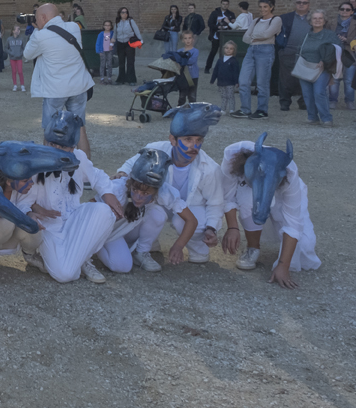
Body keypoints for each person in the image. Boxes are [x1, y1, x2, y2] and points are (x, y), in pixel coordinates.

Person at [14, 111, 122, 283]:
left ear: (73, 148)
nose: (57, 150)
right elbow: (22, 200)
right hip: (49, 228)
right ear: (46, 141)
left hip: (73, 218)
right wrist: (29, 213)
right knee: (65, 275)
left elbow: (98, 176)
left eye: (63, 147)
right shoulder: (35, 163)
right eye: (53, 144)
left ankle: (84, 259)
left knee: (105, 212)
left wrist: (107, 193)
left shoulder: (78, 158)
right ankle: (79, 259)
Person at [116, 103, 226, 269]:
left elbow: (215, 202)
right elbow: (130, 165)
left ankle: (198, 248)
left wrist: (211, 228)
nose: (194, 146)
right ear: (172, 139)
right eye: (188, 139)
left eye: (199, 140)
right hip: (158, 204)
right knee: (154, 211)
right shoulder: (155, 150)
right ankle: (146, 244)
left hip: (189, 209)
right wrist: (122, 173)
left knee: (188, 222)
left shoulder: (210, 168)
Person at [221, 138, 320, 288]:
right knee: (248, 200)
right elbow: (227, 195)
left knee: (305, 246)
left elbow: (293, 221)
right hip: (247, 185)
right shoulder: (232, 154)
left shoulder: (291, 176)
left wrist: (283, 265)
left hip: (280, 193)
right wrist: (232, 227)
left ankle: (284, 254)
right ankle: (253, 248)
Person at [93, 147, 181, 274]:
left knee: (158, 214)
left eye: (145, 193)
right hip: (106, 233)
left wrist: (178, 246)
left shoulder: (164, 192)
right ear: (131, 181)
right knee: (122, 266)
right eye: (135, 190)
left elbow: (191, 220)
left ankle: (140, 252)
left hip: (125, 231)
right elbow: (88, 208)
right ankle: (94, 247)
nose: (138, 197)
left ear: (157, 190)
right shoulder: (117, 188)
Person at [24, 4, 94, 151]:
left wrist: (37, 30)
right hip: (78, 86)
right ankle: (86, 167)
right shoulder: (74, 27)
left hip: (55, 89)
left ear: (43, 18)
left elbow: (27, 54)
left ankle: (49, 168)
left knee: (50, 130)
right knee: (79, 127)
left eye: (37, 18)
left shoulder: (40, 35)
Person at [231, 0, 281, 119]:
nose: (262, 9)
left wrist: (254, 37)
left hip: (266, 50)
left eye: (265, 7)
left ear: (271, 7)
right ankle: (245, 109)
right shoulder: (256, 20)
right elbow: (245, 38)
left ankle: (262, 110)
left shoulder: (276, 20)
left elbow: (267, 34)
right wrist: (257, 37)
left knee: (262, 83)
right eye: (260, 7)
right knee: (243, 81)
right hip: (251, 50)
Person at [297, 9, 340, 127]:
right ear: (310, 21)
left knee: (319, 92)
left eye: (320, 18)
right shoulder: (306, 35)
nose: (317, 20)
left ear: (324, 20)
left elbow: (337, 49)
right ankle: (312, 117)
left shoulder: (330, 35)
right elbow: (300, 49)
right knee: (307, 94)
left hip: (322, 68)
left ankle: (326, 118)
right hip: (305, 67)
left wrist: (325, 59)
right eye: (315, 18)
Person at [277, 0, 312, 112]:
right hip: (288, 52)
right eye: (299, 2)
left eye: (304, 2)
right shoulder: (285, 17)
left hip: (308, 53)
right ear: (295, 4)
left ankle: (303, 102)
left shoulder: (314, 17)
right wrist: (282, 49)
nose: (301, 4)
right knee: (286, 79)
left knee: (306, 78)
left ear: (308, 5)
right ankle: (285, 102)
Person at [331, 1, 356, 110]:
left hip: (350, 54)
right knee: (334, 79)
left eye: (347, 10)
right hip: (335, 54)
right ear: (339, 11)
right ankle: (332, 100)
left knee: (349, 80)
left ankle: (349, 101)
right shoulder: (332, 23)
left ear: (351, 12)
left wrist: (347, 40)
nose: (344, 11)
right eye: (342, 9)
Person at [210, 40, 240, 114]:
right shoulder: (220, 60)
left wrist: (237, 82)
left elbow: (236, 72)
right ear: (223, 49)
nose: (228, 50)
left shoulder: (234, 61)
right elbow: (216, 70)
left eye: (231, 48)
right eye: (227, 48)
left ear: (234, 50)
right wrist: (212, 79)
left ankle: (232, 109)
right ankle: (223, 109)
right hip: (221, 82)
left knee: (230, 96)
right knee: (223, 96)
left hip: (230, 82)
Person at [205, 0, 236, 70]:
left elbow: (233, 24)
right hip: (216, 35)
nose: (225, 5)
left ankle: (224, 68)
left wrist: (231, 23)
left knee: (226, 52)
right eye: (223, 4)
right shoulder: (215, 13)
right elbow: (210, 24)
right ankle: (207, 68)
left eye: (226, 4)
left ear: (228, 5)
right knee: (213, 52)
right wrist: (217, 27)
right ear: (221, 4)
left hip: (226, 36)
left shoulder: (231, 14)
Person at [172, 30, 200, 105]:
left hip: (193, 76)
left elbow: (191, 61)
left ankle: (193, 112)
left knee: (192, 96)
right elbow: (176, 62)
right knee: (182, 96)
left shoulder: (195, 51)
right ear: (182, 40)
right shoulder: (179, 51)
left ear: (193, 39)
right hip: (182, 77)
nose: (188, 40)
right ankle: (179, 111)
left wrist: (181, 60)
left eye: (189, 38)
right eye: (186, 38)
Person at [6, 24, 26, 91]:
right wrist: (11, 53)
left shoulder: (22, 39)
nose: (18, 31)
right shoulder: (9, 39)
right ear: (13, 31)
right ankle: (15, 85)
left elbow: (24, 48)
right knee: (14, 71)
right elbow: (6, 48)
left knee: (20, 71)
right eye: (17, 29)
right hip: (12, 58)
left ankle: (22, 85)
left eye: (19, 29)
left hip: (19, 58)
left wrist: (21, 53)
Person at [96, 20, 114, 85]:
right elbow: (98, 43)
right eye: (106, 25)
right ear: (103, 26)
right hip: (102, 51)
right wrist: (98, 51)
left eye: (109, 25)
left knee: (109, 64)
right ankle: (102, 78)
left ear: (111, 26)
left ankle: (109, 78)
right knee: (102, 65)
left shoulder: (112, 33)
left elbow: (114, 41)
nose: (107, 27)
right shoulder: (101, 34)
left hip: (110, 51)